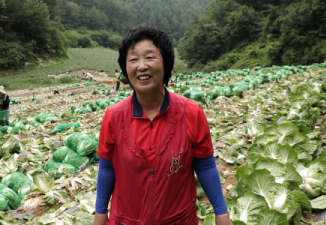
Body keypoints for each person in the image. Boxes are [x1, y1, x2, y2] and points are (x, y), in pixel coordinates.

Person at [94, 25, 232, 225]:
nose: (142, 66)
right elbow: (107, 168)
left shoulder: (191, 112)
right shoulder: (114, 116)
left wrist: (221, 213)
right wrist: (100, 213)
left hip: (178, 220)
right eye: (133, 59)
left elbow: (205, 165)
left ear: (166, 64)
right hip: (126, 220)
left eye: (150, 57)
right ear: (126, 68)